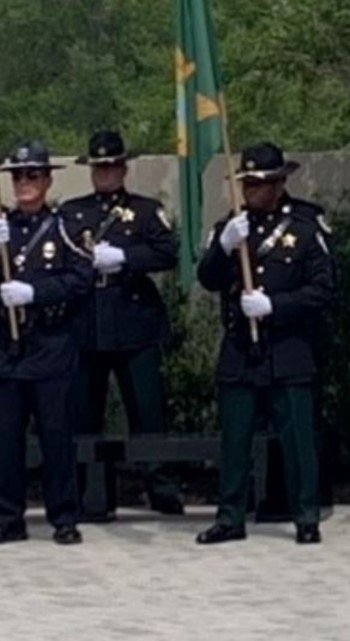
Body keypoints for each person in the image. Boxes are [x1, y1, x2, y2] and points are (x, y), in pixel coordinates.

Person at [196, 143, 333, 545]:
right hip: (242, 348)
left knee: (297, 440)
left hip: (289, 347)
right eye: (248, 183)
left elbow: (324, 290)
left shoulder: (306, 227)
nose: (254, 191)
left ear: (279, 183)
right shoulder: (231, 227)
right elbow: (208, 279)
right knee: (234, 440)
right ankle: (230, 517)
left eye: (262, 183)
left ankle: (306, 516)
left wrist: (276, 305)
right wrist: (222, 247)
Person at [60, 131, 183, 520]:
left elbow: (167, 252)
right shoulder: (72, 212)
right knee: (83, 413)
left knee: (147, 412)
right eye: (99, 167)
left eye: (112, 165)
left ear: (124, 167)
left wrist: (125, 257)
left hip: (133, 321)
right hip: (87, 321)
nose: (106, 173)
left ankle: (159, 487)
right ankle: (86, 492)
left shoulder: (145, 210)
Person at [0, 141, 93, 544]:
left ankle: (64, 517)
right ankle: (8, 518)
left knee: (57, 437)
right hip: (8, 347)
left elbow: (81, 278)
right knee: (6, 440)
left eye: (32, 175)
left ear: (47, 179)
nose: (24, 183)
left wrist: (34, 293)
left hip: (50, 343)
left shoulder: (64, 226)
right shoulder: (2, 228)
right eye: (18, 176)